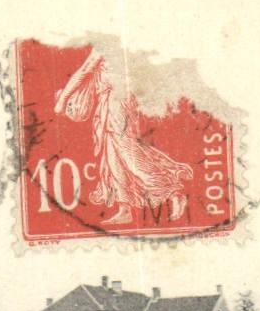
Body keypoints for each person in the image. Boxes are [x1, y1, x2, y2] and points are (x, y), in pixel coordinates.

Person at [53, 49, 192, 226]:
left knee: (127, 153)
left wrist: (62, 101)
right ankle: (125, 209)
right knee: (113, 157)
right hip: (111, 99)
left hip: (117, 100)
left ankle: (172, 190)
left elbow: (85, 70)